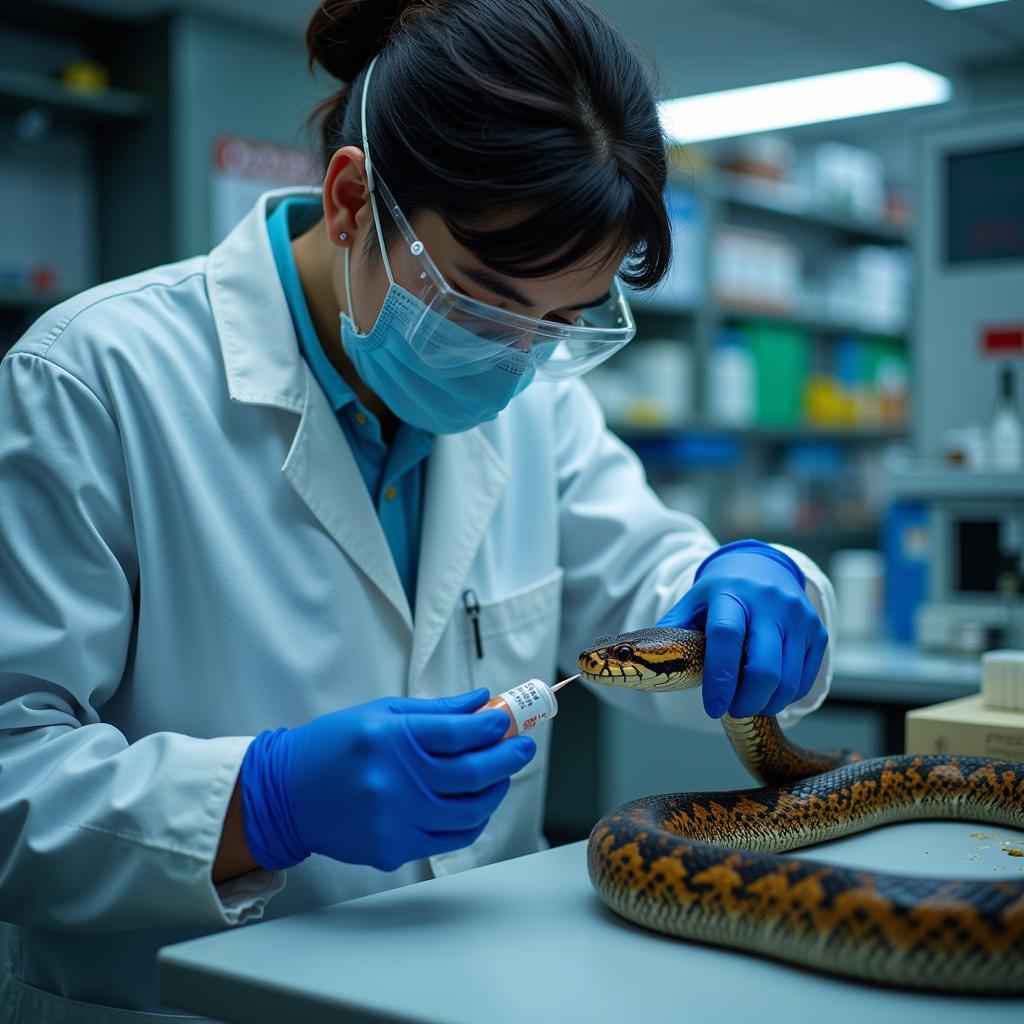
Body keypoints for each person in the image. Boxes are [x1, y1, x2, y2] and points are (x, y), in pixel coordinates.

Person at [0, 0, 834, 1019]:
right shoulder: (94, 379)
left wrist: (751, 584)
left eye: (561, 321)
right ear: (351, 200)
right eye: (484, 299)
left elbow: (653, 582)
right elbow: (12, 777)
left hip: (483, 988)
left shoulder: (540, 404)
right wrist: (261, 802)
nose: (516, 357)